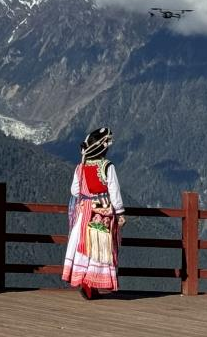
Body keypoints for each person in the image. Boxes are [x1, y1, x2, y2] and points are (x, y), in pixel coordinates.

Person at [62, 127, 125, 299]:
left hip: (84, 211)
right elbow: (114, 191)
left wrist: (87, 195)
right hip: (102, 210)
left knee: (83, 245)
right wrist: (120, 212)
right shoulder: (107, 166)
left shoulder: (80, 167)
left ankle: (86, 282)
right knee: (100, 247)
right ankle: (92, 283)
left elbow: (75, 191)